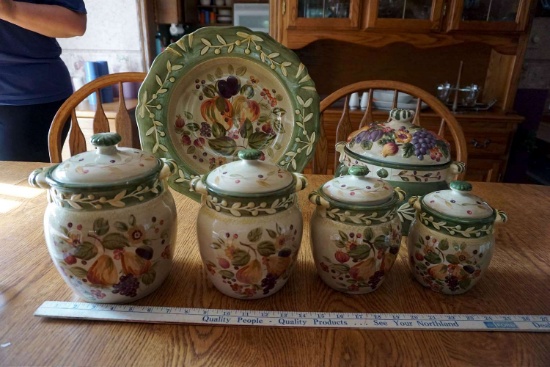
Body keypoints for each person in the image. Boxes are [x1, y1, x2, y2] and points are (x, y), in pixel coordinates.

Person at [0, 0, 87, 162]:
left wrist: (8, 9)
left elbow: (75, 24)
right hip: (22, 98)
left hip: (26, 101)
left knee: (21, 184)